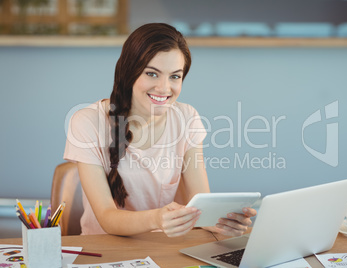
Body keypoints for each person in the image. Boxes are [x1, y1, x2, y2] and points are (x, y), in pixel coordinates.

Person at [64, 23, 257, 237]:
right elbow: (107, 217)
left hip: (164, 248)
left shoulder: (187, 117)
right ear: (130, 72)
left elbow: (201, 203)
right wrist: (156, 218)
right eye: (152, 74)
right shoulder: (87, 122)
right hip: (106, 251)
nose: (164, 88)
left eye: (175, 76)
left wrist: (219, 221)